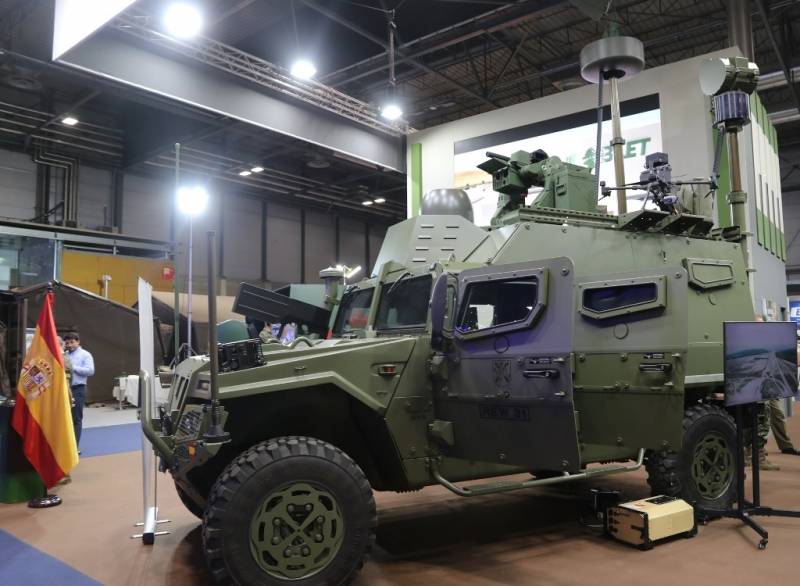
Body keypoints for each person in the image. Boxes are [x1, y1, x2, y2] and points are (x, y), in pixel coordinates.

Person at [63, 332, 94, 448]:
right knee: (65, 418)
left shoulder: (85, 355)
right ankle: (66, 446)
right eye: (67, 343)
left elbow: (91, 371)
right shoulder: (64, 354)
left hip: (77, 389)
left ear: (78, 342)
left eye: (72, 342)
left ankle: (74, 447)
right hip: (64, 389)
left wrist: (73, 367)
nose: (70, 345)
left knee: (76, 418)